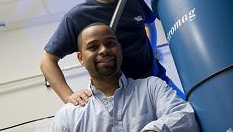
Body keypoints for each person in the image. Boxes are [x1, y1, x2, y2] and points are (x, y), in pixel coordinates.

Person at [40, 0, 184, 107]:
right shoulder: (76, 17)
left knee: (191, 117)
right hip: (119, 97)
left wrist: (151, 50)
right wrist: (68, 96)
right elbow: (47, 61)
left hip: (157, 80)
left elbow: (150, 24)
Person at [50, 23, 199, 132]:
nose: (104, 50)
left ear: (119, 49)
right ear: (81, 58)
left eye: (110, 43)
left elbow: (185, 117)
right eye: (93, 47)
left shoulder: (151, 87)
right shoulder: (69, 115)